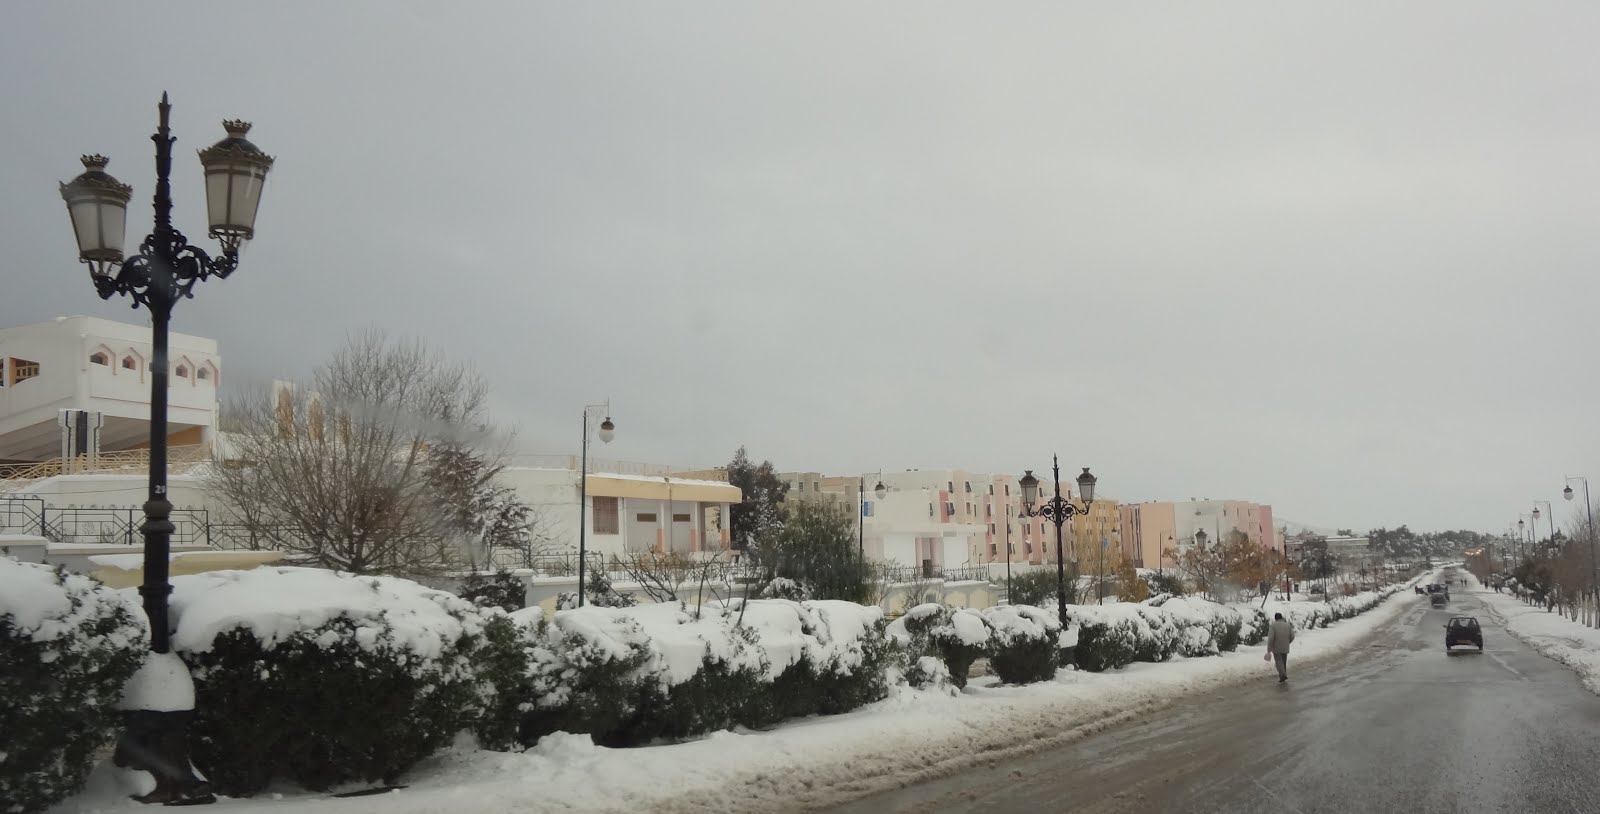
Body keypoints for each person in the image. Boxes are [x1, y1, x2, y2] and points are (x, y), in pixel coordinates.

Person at [1265, 612, 1296, 683]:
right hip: (1285, 646)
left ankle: (1282, 675)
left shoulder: (1273, 626)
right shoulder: (1287, 625)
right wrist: (1288, 642)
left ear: (1275, 618)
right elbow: (1292, 636)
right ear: (1281, 618)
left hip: (1276, 647)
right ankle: (1283, 674)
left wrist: (1269, 648)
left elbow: (1271, 638)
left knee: (1279, 662)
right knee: (1283, 661)